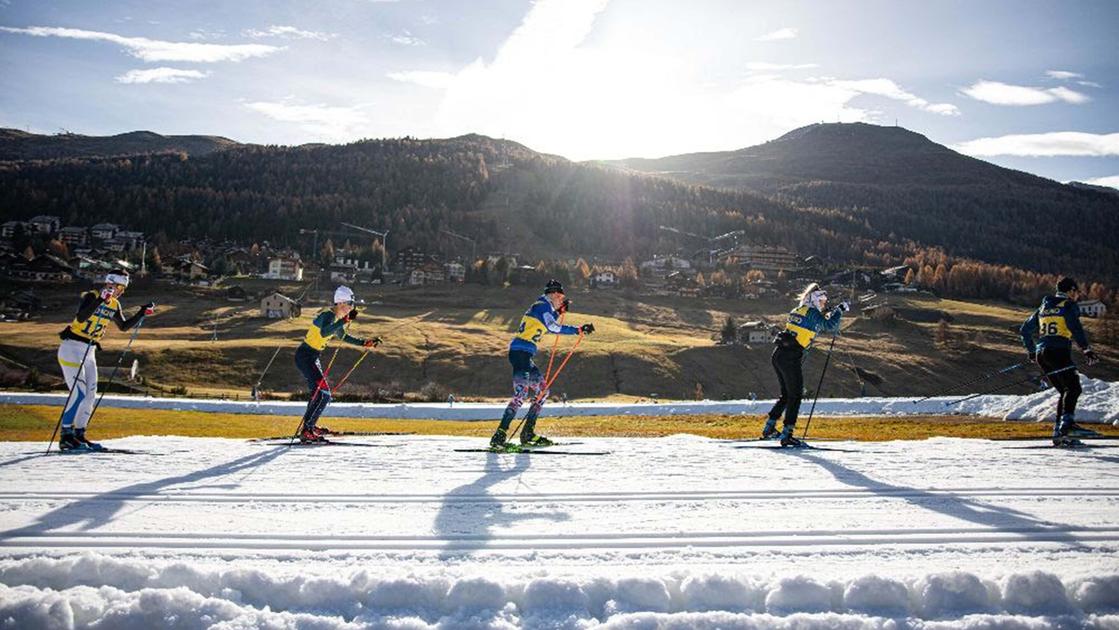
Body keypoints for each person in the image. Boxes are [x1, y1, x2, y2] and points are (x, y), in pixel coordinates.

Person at [490, 279, 594, 449]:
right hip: (519, 353)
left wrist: (559, 311)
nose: (561, 299)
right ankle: (499, 435)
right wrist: (578, 330)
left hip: (526, 355)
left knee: (543, 392)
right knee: (521, 394)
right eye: (560, 296)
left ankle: (528, 433)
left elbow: (547, 320)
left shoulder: (544, 307)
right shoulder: (542, 305)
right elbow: (552, 327)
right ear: (553, 294)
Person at [56, 270, 153, 451]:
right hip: (72, 348)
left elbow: (123, 326)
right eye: (119, 287)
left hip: (90, 349)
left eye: (123, 288)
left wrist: (141, 313)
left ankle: (79, 435)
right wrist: (100, 299)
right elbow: (81, 317)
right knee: (78, 393)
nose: (121, 291)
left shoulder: (115, 304)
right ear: (110, 284)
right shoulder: (91, 296)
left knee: (90, 394)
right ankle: (65, 436)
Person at [761, 282, 849, 447]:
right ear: (815, 299)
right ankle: (787, 434)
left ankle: (769, 428)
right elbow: (829, 325)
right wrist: (840, 311)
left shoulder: (798, 310)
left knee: (786, 395)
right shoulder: (812, 312)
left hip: (778, 355)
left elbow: (815, 322)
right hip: (790, 358)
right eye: (822, 301)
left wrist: (829, 313)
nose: (823, 305)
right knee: (795, 395)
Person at [294, 286, 380, 443]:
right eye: (350, 304)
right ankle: (307, 429)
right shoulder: (328, 316)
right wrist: (344, 320)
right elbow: (324, 332)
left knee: (318, 394)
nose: (352, 308)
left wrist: (364, 343)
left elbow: (343, 336)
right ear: (341, 303)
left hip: (312, 357)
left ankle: (309, 426)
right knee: (324, 394)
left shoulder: (336, 320)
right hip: (305, 356)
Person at [1020, 277, 1100, 445]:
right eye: (1076, 292)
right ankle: (1068, 426)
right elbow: (1075, 327)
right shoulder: (1068, 305)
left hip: (1043, 354)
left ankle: (1059, 432)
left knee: (1065, 391)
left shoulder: (1044, 307)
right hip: (1058, 352)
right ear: (1070, 290)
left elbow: (1025, 330)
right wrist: (1086, 349)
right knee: (1074, 388)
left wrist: (1032, 351)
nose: (1077, 295)